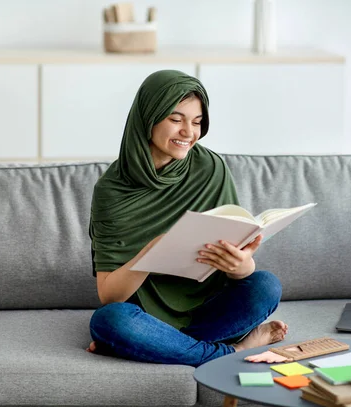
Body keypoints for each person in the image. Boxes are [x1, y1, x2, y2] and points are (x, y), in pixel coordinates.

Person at [87, 70, 288, 367]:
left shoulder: (211, 168)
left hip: (207, 312)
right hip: (143, 318)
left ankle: (158, 348)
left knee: (265, 285)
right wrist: (152, 253)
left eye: (196, 122)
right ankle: (230, 351)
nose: (188, 133)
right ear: (148, 118)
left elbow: (233, 260)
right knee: (109, 320)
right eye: (176, 119)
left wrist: (242, 266)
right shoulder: (112, 190)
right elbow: (110, 295)